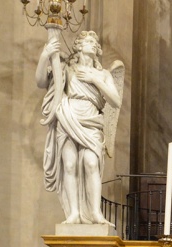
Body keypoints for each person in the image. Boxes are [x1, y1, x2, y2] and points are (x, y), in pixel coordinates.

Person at [36, 30, 123, 225]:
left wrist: (95, 80)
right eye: (88, 41)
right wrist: (45, 56)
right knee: (69, 164)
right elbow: (41, 81)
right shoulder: (67, 69)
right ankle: (73, 213)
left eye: (94, 42)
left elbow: (115, 101)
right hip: (68, 117)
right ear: (79, 46)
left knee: (91, 163)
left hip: (91, 120)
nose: (93, 44)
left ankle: (95, 213)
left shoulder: (103, 74)